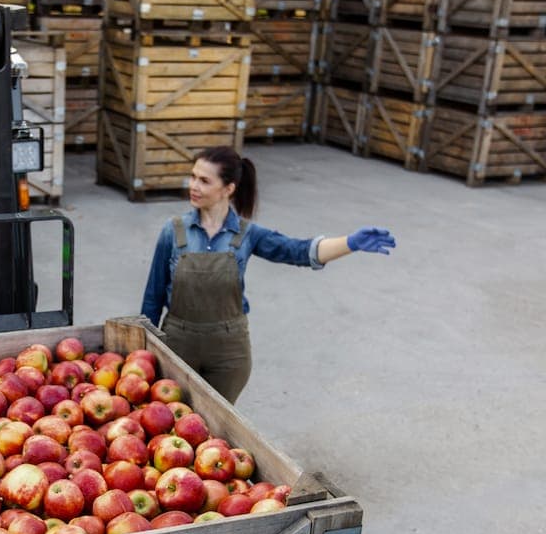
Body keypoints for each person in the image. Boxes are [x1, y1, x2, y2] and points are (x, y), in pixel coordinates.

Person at [140, 145, 395, 404]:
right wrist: (142, 350)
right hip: (177, 344)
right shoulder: (173, 231)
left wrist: (350, 243)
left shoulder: (247, 234)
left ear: (228, 189)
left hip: (228, 353)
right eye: (193, 177)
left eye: (204, 181)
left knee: (217, 432)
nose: (193, 185)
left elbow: (297, 251)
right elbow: (153, 296)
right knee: (167, 422)